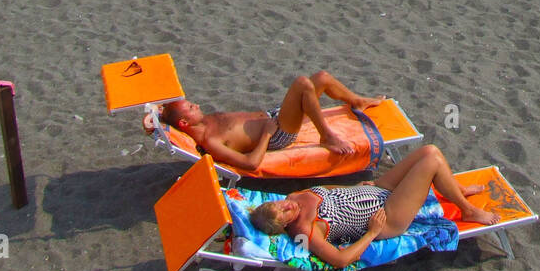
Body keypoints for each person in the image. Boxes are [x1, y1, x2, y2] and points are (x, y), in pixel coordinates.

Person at [249, 144, 499, 269]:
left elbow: (329, 192)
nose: (286, 206)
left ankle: (454, 188)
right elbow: (340, 260)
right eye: (283, 214)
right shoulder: (305, 230)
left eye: (279, 204)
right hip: (386, 217)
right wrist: (371, 232)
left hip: (375, 189)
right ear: (283, 226)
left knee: (428, 150)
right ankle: (467, 209)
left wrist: (355, 187)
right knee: (431, 162)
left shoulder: (294, 196)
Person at [156, 70, 384, 167]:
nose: (195, 105)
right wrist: (266, 133)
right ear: (184, 123)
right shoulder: (211, 141)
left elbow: (156, 109)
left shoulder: (203, 120)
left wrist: (152, 121)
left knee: (321, 78)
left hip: (273, 117)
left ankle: (357, 101)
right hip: (277, 134)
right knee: (303, 83)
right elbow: (251, 164)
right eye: (189, 107)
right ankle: (327, 136)